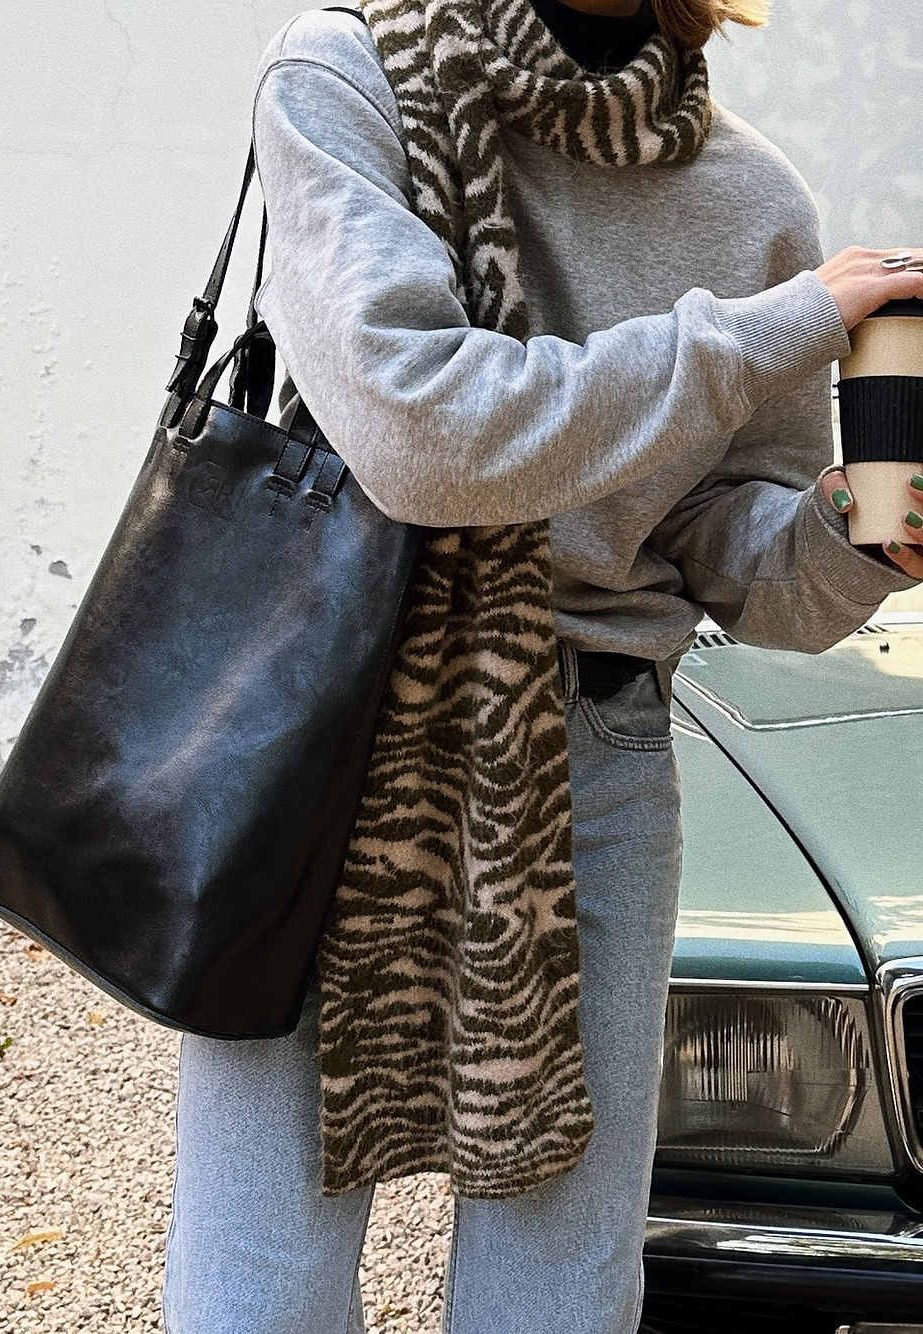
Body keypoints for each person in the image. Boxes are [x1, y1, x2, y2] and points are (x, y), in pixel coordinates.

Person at [161, 2, 923, 1331]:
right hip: (329, 729)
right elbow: (420, 432)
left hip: (594, 757)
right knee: (261, 1282)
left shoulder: (752, 198)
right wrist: (757, 332)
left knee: (563, 1288)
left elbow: (730, 560)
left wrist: (862, 536)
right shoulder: (348, 78)